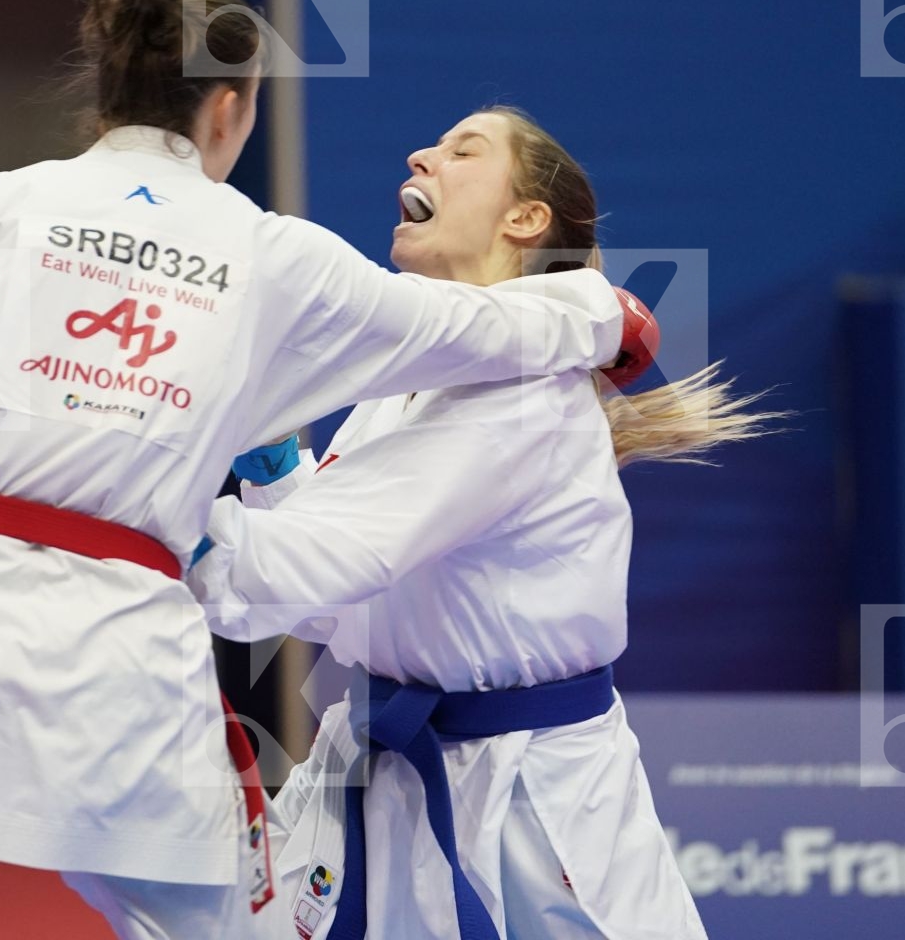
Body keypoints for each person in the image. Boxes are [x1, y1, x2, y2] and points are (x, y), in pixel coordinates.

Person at [0, 0, 637, 940]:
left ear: (108, 87)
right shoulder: (270, 250)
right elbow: (476, 330)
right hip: (116, 654)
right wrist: (608, 315)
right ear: (231, 107)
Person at [191, 107, 783, 939]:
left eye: (462, 150)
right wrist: (283, 480)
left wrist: (142, 529)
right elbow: (344, 602)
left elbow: (314, 561)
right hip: (387, 769)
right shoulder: (409, 382)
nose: (421, 154)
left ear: (526, 217)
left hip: (523, 798)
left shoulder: (525, 394)